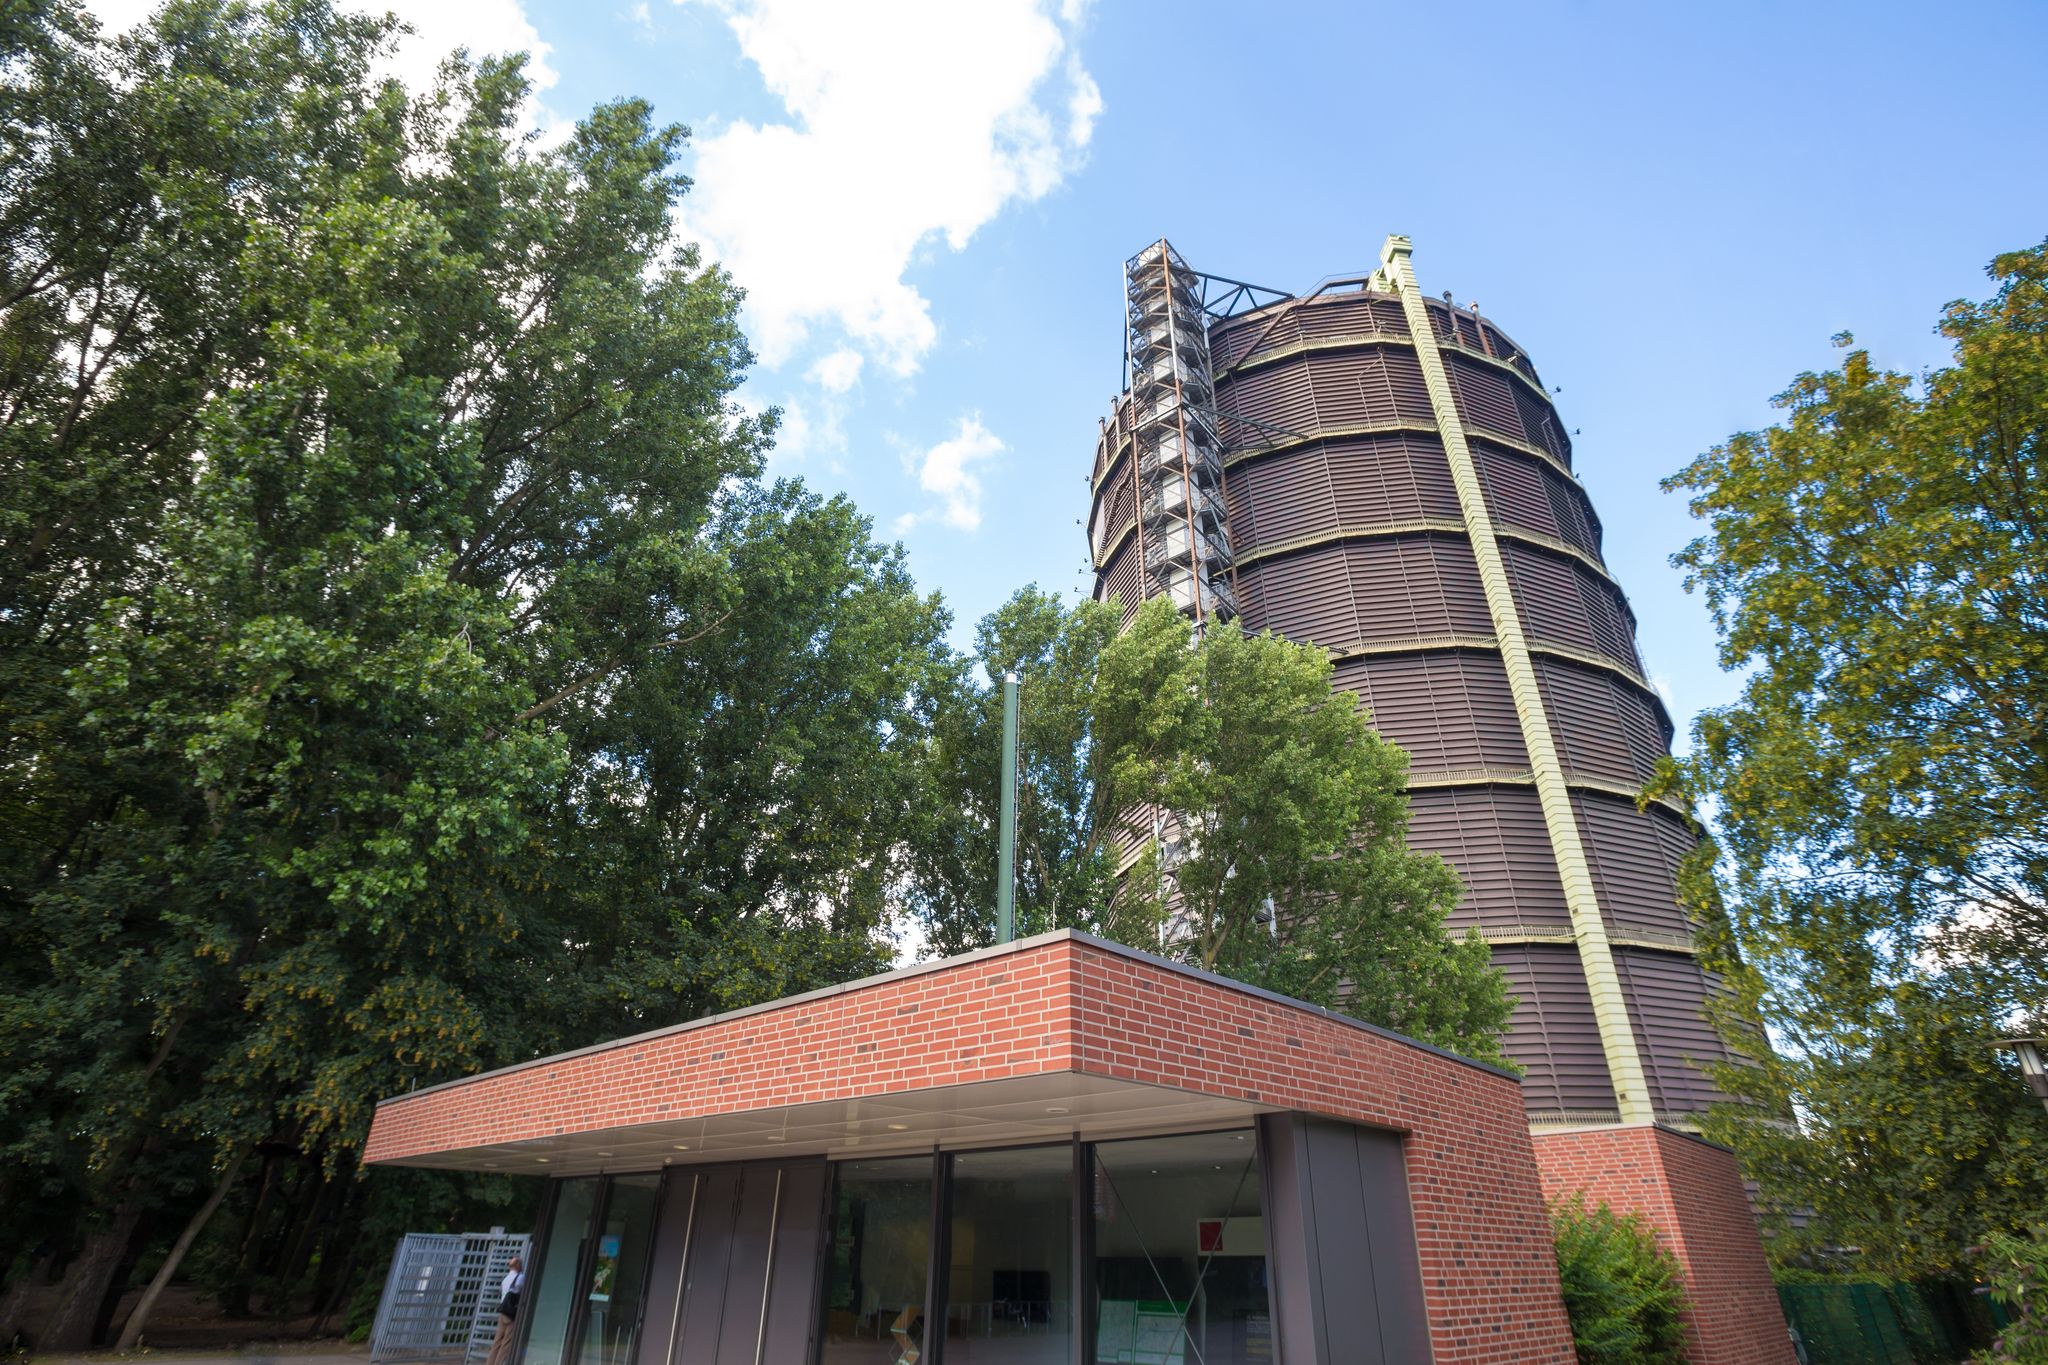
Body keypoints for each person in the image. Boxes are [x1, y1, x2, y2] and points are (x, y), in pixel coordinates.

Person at [483, 1254, 526, 1365]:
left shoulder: (506, 1279)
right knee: (506, 1343)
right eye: (521, 1263)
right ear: (517, 1265)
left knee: (497, 1342)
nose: (522, 1265)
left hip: (502, 1312)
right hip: (510, 1313)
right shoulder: (520, 1277)